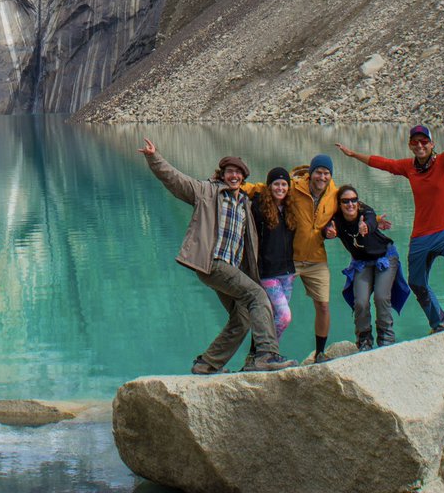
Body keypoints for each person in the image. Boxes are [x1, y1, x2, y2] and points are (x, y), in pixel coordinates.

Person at [139, 139, 297, 373]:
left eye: (238, 173)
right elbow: (175, 180)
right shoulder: (207, 191)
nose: (234, 176)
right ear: (222, 174)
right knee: (257, 295)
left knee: (242, 316)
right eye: (230, 172)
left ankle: (207, 364)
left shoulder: (244, 202)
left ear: (243, 177)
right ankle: (265, 354)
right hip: (212, 262)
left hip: (228, 268)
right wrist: (154, 157)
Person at [336, 110, 444, 331]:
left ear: (431, 143)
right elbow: (383, 163)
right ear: (410, 145)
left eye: (424, 141)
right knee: (417, 283)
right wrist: (353, 155)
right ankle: (439, 322)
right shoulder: (409, 167)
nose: (420, 145)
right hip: (421, 235)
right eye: (415, 142)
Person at [248, 153, 338, 361]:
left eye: (326, 173)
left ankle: (319, 353)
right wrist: (236, 185)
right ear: (311, 173)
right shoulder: (294, 188)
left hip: (312, 259)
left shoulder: (334, 194)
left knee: (322, 305)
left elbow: (351, 208)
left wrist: (372, 221)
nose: (322, 177)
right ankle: (260, 353)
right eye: (318, 172)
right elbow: (264, 187)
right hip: (290, 260)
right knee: (276, 313)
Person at [324, 184, 410, 349]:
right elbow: (325, 230)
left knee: (381, 296)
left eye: (354, 200)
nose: (350, 204)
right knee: (361, 302)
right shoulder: (336, 221)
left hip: (385, 257)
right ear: (339, 204)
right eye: (345, 201)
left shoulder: (366, 212)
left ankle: (386, 337)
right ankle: (364, 339)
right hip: (361, 262)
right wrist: (327, 233)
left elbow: (370, 220)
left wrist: (367, 227)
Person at [250, 167, 297, 342]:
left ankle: (262, 353)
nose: (280, 188)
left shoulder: (290, 209)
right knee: (284, 316)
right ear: (269, 186)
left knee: (272, 316)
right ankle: (268, 349)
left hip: (288, 273)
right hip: (268, 273)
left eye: (284, 184)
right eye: (276, 184)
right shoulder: (260, 208)